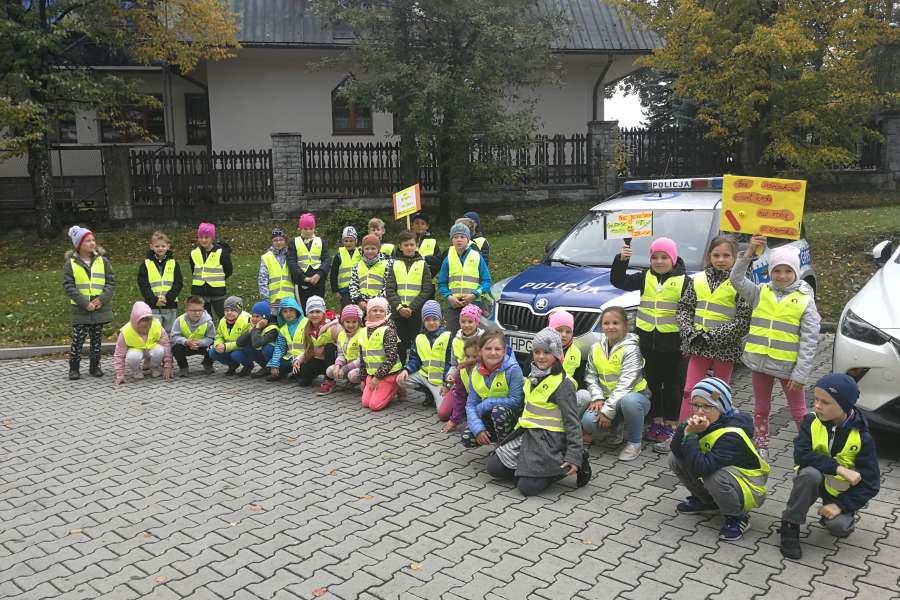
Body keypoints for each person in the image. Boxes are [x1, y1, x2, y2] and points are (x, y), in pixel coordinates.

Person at [731, 235, 821, 456]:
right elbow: (736, 279)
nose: (782, 276)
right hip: (760, 363)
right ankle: (761, 443)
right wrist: (750, 251)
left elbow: (810, 341)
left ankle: (808, 448)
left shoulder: (804, 299)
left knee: (799, 412)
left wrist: (801, 374)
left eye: (788, 271)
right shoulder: (760, 292)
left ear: (796, 272)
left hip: (788, 368)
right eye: (777, 271)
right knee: (761, 409)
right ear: (770, 271)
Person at [779, 373, 880, 559]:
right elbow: (801, 455)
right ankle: (789, 525)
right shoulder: (811, 421)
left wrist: (840, 506)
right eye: (816, 399)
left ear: (844, 405)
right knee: (809, 474)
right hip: (815, 479)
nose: (817, 405)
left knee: (839, 527)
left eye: (825, 402)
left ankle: (830, 513)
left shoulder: (862, 438)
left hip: (839, 491)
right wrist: (838, 468)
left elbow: (871, 484)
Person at [486, 328, 591, 495]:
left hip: (550, 441)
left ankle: (576, 459)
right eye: (537, 351)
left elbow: (573, 423)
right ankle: (528, 470)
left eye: (547, 352)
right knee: (493, 468)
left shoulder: (563, 385)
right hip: (527, 435)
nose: (541, 356)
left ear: (556, 355)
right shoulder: (532, 376)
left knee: (526, 488)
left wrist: (574, 455)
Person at [672, 235, 752, 451]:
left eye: (726, 255)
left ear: (735, 257)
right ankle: (682, 432)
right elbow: (684, 309)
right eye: (716, 255)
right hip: (698, 346)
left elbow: (743, 320)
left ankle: (715, 435)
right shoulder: (697, 279)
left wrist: (712, 336)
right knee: (690, 391)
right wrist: (691, 333)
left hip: (724, 348)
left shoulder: (741, 283)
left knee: (718, 394)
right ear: (709, 256)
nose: (721, 259)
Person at [669, 377, 769, 542]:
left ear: (722, 407)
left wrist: (691, 435)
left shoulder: (732, 433)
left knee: (713, 476)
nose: (700, 411)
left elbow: (703, 467)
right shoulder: (707, 420)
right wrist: (685, 428)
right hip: (723, 475)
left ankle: (737, 517)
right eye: (696, 405)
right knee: (674, 459)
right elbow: (677, 450)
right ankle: (708, 502)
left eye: (707, 406)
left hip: (749, 487)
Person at [610, 237, 689, 446]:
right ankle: (656, 421)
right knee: (652, 383)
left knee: (672, 385)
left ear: (673, 259)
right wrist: (621, 261)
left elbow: (691, 313)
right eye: (655, 257)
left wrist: (687, 341)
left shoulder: (685, 281)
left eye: (664, 257)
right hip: (647, 343)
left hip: (674, 344)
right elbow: (619, 281)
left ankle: (671, 424)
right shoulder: (645, 277)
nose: (659, 261)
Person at [580, 306, 651, 461]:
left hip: (636, 398)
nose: (610, 327)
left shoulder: (632, 349)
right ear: (601, 326)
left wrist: (606, 411)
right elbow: (590, 376)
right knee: (588, 422)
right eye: (606, 323)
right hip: (607, 398)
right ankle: (615, 431)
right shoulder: (596, 348)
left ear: (625, 326)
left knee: (629, 401)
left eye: (615, 323)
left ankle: (634, 443)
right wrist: (597, 398)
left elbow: (626, 384)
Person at [62, 225, 116, 380]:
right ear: (78, 245)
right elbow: (68, 286)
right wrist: (84, 303)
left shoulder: (103, 261)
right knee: (78, 339)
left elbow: (111, 283)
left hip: (99, 307)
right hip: (80, 309)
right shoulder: (70, 264)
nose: (92, 243)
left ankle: (95, 366)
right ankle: (74, 368)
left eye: (93, 240)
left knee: (96, 339)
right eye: (87, 241)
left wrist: (101, 299)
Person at [460, 331, 524, 448]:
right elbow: (470, 405)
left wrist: (487, 403)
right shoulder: (475, 372)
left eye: (498, 349)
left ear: (504, 351)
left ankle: (504, 447)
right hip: (488, 416)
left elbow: (516, 401)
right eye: (488, 348)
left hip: (511, 418)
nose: (493, 353)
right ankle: (494, 437)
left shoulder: (513, 369)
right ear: (480, 351)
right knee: (467, 438)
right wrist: (478, 429)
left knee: (498, 411)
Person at [385, 230, 434, 363]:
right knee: (399, 342)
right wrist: (399, 307)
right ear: (400, 247)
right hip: (398, 312)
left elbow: (427, 289)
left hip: (416, 312)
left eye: (412, 244)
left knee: (417, 341)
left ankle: (415, 367)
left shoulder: (423, 264)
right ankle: (400, 370)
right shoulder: (394, 264)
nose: (409, 247)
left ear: (416, 245)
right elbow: (390, 289)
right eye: (406, 245)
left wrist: (412, 308)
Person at [396, 300, 451, 409]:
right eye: (427, 319)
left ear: (440, 319)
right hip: (424, 376)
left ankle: (445, 395)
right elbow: (414, 359)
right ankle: (429, 393)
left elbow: (450, 362)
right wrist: (406, 370)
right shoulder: (419, 338)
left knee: (443, 412)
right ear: (423, 321)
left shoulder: (448, 336)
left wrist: (446, 384)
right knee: (400, 379)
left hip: (439, 381)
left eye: (435, 319)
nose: (431, 323)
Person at [438, 223, 492, 334]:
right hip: (454, 306)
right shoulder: (447, 259)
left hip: (474, 305)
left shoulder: (477, 257)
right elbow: (442, 283)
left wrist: (475, 294)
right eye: (455, 237)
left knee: (474, 338)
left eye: (462, 237)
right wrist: (449, 297)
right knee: (452, 337)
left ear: (468, 239)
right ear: (451, 240)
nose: (459, 240)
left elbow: (487, 281)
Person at [358, 297, 403, 411]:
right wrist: (363, 379)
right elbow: (363, 358)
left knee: (375, 405)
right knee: (365, 403)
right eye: (374, 310)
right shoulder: (363, 331)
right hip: (372, 374)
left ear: (386, 313)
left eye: (381, 311)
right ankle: (378, 386)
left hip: (389, 374)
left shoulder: (388, 330)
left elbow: (391, 357)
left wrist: (378, 378)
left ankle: (395, 387)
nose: (378, 313)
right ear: (368, 312)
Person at [114, 301, 173, 384]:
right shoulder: (125, 331)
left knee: (160, 350)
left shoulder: (157, 325)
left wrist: (168, 366)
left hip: (152, 348)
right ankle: (136, 371)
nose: (147, 329)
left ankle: (154, 367)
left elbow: (166, 345)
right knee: (133, 356)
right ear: (135, 323)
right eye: (144, 326)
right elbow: (119, 354)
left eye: (149, 325)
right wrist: (120, 375)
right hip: (135, 350)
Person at [290, 296, 340, 390]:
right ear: (307, 313)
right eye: (311, 312)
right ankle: (318, 373)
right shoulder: (307, 327)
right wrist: (298, 359)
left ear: (323, 312)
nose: (314, 315)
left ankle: (329, 380)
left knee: (329, 347)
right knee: (302, 379)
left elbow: (343, 346)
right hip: (319, 360)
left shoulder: (334, 326)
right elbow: (309, 349)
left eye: (318, 311)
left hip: (334, 359)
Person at [137, 230, 183, 332]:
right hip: (153, 305)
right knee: (155, 332)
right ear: (151, 246)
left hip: (170, 305)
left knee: (170, 333)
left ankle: (169, 349)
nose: (160, 248)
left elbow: (178, 283)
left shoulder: (174, 263)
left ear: (168, 246)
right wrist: (154, 300)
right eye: (157, 246)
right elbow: (143, 285)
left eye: (163, 246)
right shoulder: (146, 264)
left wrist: (169, 298)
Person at [189, 222, 232, 322]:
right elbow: (193, 270)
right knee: (205, 320)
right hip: (199, 292)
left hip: (217, 292)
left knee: (224, 318)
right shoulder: (194, 253)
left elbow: (228, 270)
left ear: (212, 238)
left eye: (206, 237)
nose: (203, 240)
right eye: (201, 237)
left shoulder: (221, 252)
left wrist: (218, 278)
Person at [548, 309, 589, 409]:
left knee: (585, 395)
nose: (564, 335)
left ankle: (570, 422)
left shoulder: (576, 352)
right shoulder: (541, 349)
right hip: (544, 392)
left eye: (568, 331)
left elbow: (578, 380)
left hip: (565, 394)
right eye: (559, 330)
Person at [439, 338, 480, 432]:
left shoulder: (485, 370)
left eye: (475, 356)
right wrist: (454, 421)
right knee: (443, 414)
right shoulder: (461, 371)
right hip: (469, 400)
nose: (470, 360)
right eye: (467, 356)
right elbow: (460, 397)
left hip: (483, 403)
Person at [170, 295, 215, 376]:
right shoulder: (179, 320)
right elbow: (174, 336)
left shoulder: (208, 322)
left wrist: (200, 343)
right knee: (175, 348)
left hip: (202, 346)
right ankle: (183, 367)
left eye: (200, 310)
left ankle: (207, 364)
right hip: (186, 345)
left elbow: (211, 337)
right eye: (193, 311)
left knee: (215, 346)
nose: (197, 313)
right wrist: (186, 342)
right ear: (186, 310)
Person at [207, 296, 253, 375]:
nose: (229, 313)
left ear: (239, 311)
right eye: (226, 310)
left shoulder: (247, 321)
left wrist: (225, 347)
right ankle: (232, 365)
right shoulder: (223, 320)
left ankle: (248, 365)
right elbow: (219, 335)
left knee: (236, 354)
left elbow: (244, 342)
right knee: (212, 352)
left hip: (243, 348)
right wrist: (218, 344)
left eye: (233, 310)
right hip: (228, 347)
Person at [234, 300, 279, 378]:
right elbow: (239, 343)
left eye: (257, 316)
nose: (254, 319)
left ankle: (275, 369)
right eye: (253, 316)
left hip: (277, 359)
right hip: (264, 354)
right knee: (246, 346)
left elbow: (256, 344)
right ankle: (266, 368)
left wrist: (257, 328)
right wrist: (251, 330)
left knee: (267, 348)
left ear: (265, 317)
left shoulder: (273, 328)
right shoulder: (254, 325)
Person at [266, 296, 306, 380]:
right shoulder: (283, 329)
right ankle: (286, 373)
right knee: (271, 366)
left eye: (291, 310)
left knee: (303, 381)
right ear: (281, 314)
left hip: (305, 357)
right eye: (285, 311)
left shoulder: (306, 323)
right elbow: (280, 347)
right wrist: (275, 364)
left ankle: (297, 374)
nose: (288, 313)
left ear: (296, 311)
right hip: (290, 358)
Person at [326, 305, 365, 389]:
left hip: (362, 367)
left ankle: (359, 381)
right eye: (347, 321)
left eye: (354, 322)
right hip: (347, 365)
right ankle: (349, 380)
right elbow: (341, 354)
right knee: (329, 371)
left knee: (353, 376)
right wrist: (337, 366)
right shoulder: (341, 334)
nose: (351, 325)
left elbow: (361, 359)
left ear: (359, 322)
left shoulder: (363, 334)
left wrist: (344, 369)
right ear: (342, 322)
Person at [447, 304, 484, 389]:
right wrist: (450, 375)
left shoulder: (483, 339)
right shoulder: (455, 341)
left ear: (477, 322)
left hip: (480, 384)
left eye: (470, 321)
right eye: (463, 321)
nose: (466, 325)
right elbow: (454, 365)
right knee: (445, 402)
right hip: (460, 383)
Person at [258, 228, 293, 319]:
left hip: (290, 299)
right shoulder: (266, 257)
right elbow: (262, 280)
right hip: (274, 301)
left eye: (281, 239)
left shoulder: (291, 255)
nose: (278, 242)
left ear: (285, 240)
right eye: (275, 240)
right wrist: (266, 301)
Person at [349, 234, 387, 312]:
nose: (370, 251)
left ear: (378, 249)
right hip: (361, 306)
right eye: (367, 248)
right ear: (363, 249)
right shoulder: (357, 266)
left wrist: (376, 302)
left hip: (380, 306)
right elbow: (353, 285)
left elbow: (388, 286)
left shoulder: (386, 265)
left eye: (373, 248)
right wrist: (359, 301)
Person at [329, 226, 361, 308]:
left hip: (358, 289)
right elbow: (333, 274)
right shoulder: (339, 256)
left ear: (356, 241)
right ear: (343, 241)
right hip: (344, 291)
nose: (348, 243)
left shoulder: (360, 254)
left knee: (359, 311)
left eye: (351, 241)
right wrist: (336, 291)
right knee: (347, 311)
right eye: (346, 241)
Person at [410, 212, 441, 277]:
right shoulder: (406, 240)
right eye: (416, 223)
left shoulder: (432, 240)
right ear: (412, 225)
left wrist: (430, 274)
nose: (419, 226)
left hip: (427, 277)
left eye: (423, 223)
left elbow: (438, 260)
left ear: (427, 226)